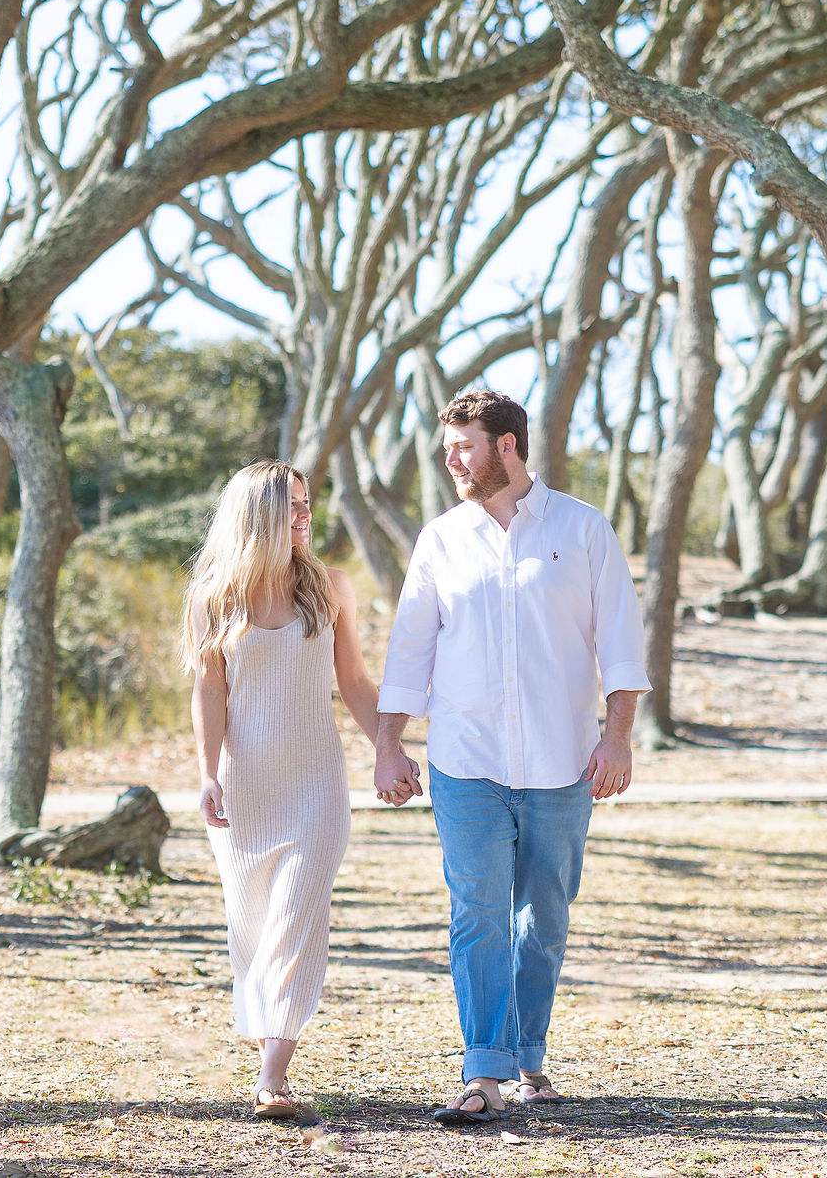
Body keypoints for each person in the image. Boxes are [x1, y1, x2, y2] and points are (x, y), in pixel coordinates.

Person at [372, 391, 649, 1125]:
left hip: (563, 762)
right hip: (466, 761)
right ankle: (484, 1070)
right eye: (448, 447)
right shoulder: (440, 540)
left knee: (544, 919)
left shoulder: (584, 530)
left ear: (508, 445)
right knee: (478, 915)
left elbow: (621, 645)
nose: (451, 459)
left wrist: (616, 736)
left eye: (464, 445)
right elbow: (409, 650)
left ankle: (529, 1051)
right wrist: (387, 742)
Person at [183, 460, 410, 1120]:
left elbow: (357, 683)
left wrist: (389, 749)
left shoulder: (330, 587)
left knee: (295, 919)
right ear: (256, 517)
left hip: (316, 783)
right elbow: (209, 692)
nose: (305, 517)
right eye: (291, 507)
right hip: (245, 784)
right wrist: (204, 772)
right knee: (252, 926)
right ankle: (267, 1026)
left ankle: (273, 1072)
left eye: (307, 504)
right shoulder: (213, 597)